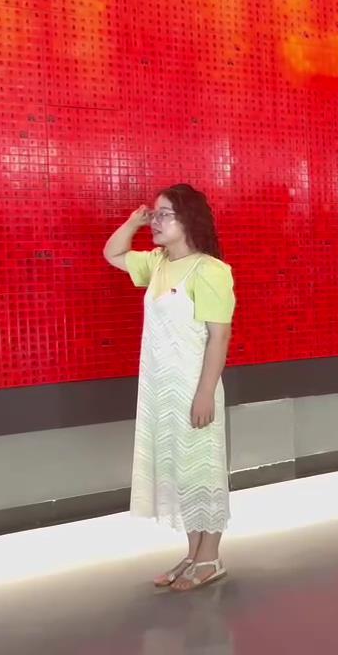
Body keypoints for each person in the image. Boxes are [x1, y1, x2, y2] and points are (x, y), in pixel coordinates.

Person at [103, 184, 236, 592]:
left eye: (164, 215)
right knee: (181, 471)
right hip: (162, 389)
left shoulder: (210, 270)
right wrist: (133, 221)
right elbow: (113, 254)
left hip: (195, 386)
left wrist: (204, 393)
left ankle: (210, 557)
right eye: (154, 214)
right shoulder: (157, 263)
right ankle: (193, 553)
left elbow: (219, 337)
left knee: (203, 470)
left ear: (188, 219)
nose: (155, 223)